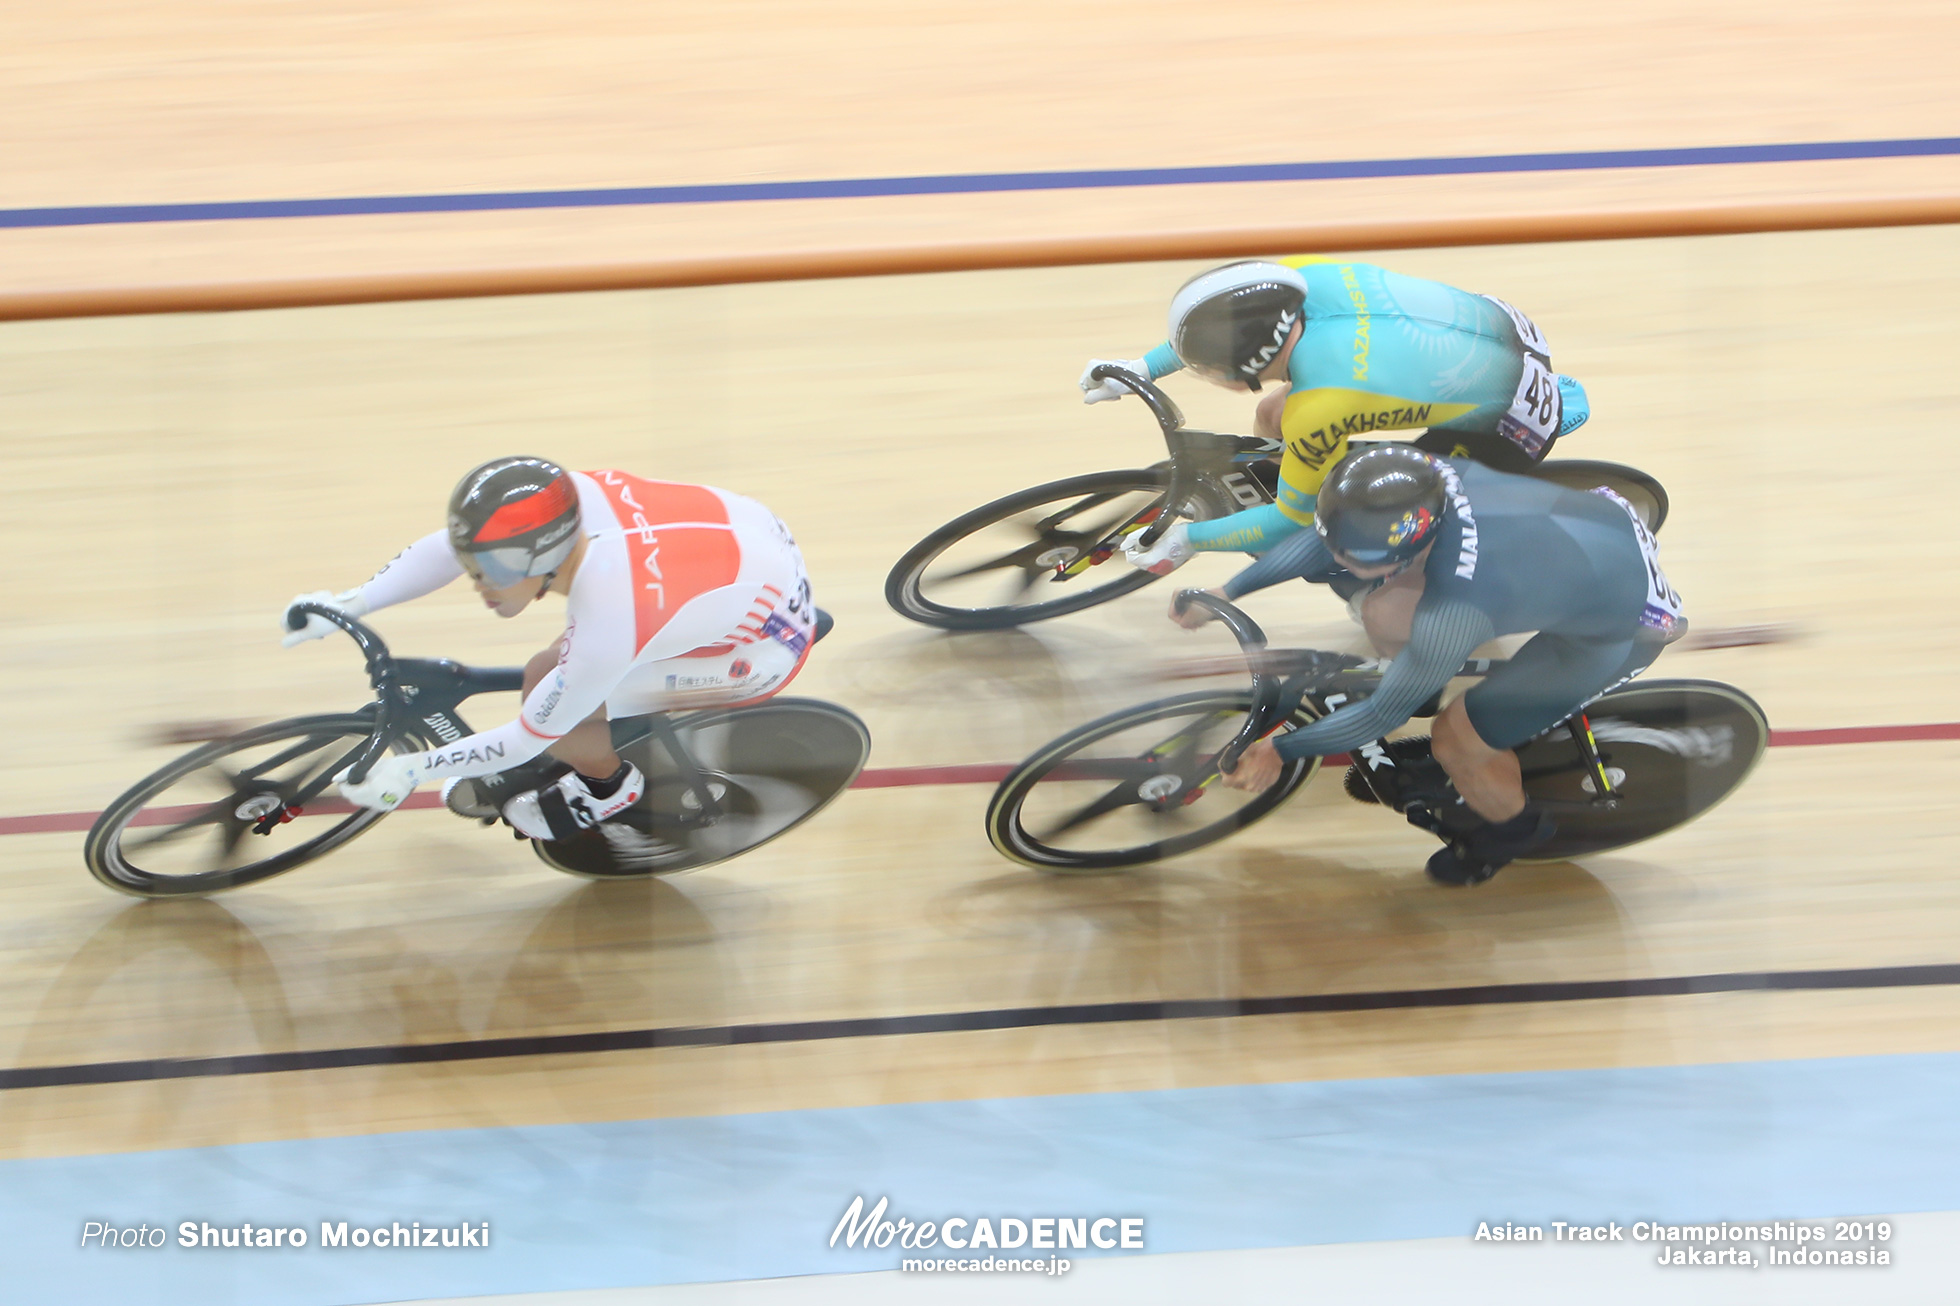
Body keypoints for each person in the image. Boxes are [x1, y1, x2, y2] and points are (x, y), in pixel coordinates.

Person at [1177, 443, 1683, 886]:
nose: (1339, 564)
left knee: (1456, 739)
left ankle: (1512, 832)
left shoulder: (1456, 609)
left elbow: (1380, 718)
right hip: (1593, 535)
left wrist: (1281, 751)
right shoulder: (1404, 475)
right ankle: (1422, 679)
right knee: (1382, 608)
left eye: (1357, 558)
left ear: (1410, 548)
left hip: (1622, 624)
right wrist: (1228, 590)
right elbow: (1324, 540)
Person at [281, 456, 818, 849]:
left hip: (759, 648)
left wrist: (413, 770)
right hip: (747, 551)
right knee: (561, 678)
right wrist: (352, 600)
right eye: (476, 568)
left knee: (548, 684)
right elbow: (450, 547)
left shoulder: (612, 609)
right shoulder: (561, 503)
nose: (478, 584)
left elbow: (525, 738)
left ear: (546, 556)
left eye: (492, 573)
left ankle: (607, 788)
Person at [1077, 257, 1592, 577]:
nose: (1203, 372)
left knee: (1369, 519)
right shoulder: (1300, 278)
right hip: (1504, 331)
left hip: (1502, 425)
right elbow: (1220, 323)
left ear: (1248, 364)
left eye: (1209, 370)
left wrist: (1191, 540)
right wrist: (1142, 366)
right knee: (1272, 413)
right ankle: (1302, 471)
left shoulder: (1323, 404)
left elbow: (1290, 521)